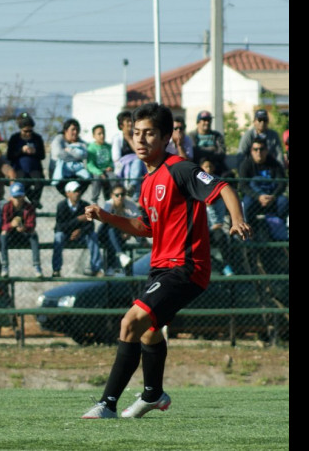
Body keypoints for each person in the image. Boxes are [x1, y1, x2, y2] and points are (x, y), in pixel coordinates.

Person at [81, 102, 251, 419]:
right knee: (148, 331)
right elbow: (145, 228)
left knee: (130, 322)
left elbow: (223, 188)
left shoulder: (180, 169)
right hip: (162, 266)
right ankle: (153, 394)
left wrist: (237, 219)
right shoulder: (147, 182)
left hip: (185, 266)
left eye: (149, 134)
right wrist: (105, 216)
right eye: (136, 134)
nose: (141, 140)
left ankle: (107, 404)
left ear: (166, 137)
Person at [237, 136, 289, 239]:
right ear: (251, 151)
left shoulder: (274, 164)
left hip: (272, 197)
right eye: (255, 149)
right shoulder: (246, 164)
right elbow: (243, 186)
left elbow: (282, 183)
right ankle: (250, 232)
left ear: (266, 150)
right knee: (246, 204)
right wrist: (258, 197)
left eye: (261, 149)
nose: (258, 152)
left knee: (284, 201)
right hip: (254, 198)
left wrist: (273, 196)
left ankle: (278, 230)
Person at [51, 181, 103, 278]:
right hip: (66, 235)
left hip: (81, 235)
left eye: (79, 191)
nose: (77, 193)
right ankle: (56, 270)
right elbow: (60, 226)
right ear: (68, 193)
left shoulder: (86, 205)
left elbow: (90, 225)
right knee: (58, 236)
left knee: (93, 235)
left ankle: (96, 268)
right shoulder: (61, 206)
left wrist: (80, 231)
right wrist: (78, 220)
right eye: (75, 191)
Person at [199, 158, 236, 276]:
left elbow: (218, 210)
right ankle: (217, 267)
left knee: (221, 237)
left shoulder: (218, 184)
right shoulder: (195, 184)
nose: (208, 170)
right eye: (205, 167)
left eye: (210, 167)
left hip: (217, 227)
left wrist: (218, 224)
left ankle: (226, 266)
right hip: (201, 227)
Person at [0, 182, 42, 278]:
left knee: (34, 234)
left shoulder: (29, 207)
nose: (17, 200)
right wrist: (11, 225)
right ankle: (5, 266)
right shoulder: (6, 207)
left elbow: (32, 224)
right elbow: (3, 226)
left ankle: (37, 266)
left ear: (23, 196)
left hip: (23, 233)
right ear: (11, 197)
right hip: (11, 234)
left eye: (20, 197)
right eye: (15, 197)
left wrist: (24, 228)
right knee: (3, 234)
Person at [96, 185, 141, 275]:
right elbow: (105, 220)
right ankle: (120, 255)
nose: (120, 197)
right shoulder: (109, 204)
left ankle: (111, 268)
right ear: (112, 196)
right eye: (117, 195)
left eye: (122, 194)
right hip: (104, 233)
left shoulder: (129, 204)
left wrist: (128, 232)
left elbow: (138, 219)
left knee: (112, 238)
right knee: (111, 230)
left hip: (119, 234)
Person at [5, 112, 46, 209]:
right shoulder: (14, 138)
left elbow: (42, 155)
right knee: (23, 182)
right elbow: (9, 156)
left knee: (39, 182)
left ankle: (35, 200)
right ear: (20, 130)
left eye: (30, 131)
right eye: (25, 131)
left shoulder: (37, 138)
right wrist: (21, 151)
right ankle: (33, 201)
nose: (28, 134)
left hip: (34, 168)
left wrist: (34, 151)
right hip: (19, 168)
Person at [50, 118, 92, 195]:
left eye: (77, 130)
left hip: (76, 173)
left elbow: (84, 154)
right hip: (61, 173)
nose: (75, 132)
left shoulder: (80, 141)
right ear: (66, 130)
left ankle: (75, 201)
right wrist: (76, 155)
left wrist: (69, 151)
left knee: (86, 180)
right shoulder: (58, 139)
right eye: (73, 129)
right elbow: (58, 154)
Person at [110, 110, 146, 199]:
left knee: (138, 163)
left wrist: (130, 139)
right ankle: (132, 186)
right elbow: (116, 158)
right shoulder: (117, 138)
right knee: (137, 162)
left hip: (138, 167)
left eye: (131, 121)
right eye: (128, 121)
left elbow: (140, 151)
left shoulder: (136, 136)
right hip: (123, 167)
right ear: (121, 125)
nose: (130, 124)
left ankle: (133, 191)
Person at [188, 110, 231, 177]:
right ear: (198, 122)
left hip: (216, 166)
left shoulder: (217, 135)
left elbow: (222, 153)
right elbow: (194, 152)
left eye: (209, 120)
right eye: (204, 120)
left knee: (229, 175)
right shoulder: (192, 135)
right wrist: (212, 149)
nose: (207, 122)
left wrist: (202, 151)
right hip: (197, 166)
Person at [86, 123, 117, 203]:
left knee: (113, 177)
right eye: (99, 134)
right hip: (97, 171)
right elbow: (90, 164)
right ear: (94, 136)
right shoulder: (91, 148)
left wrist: (110, 166)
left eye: (103, 133)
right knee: (96, 179)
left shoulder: (108, 146)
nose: (102, 136)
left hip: (107, 170)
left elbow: (111, 160)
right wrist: (99, 173)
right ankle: (94, 200)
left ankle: (114, 197)